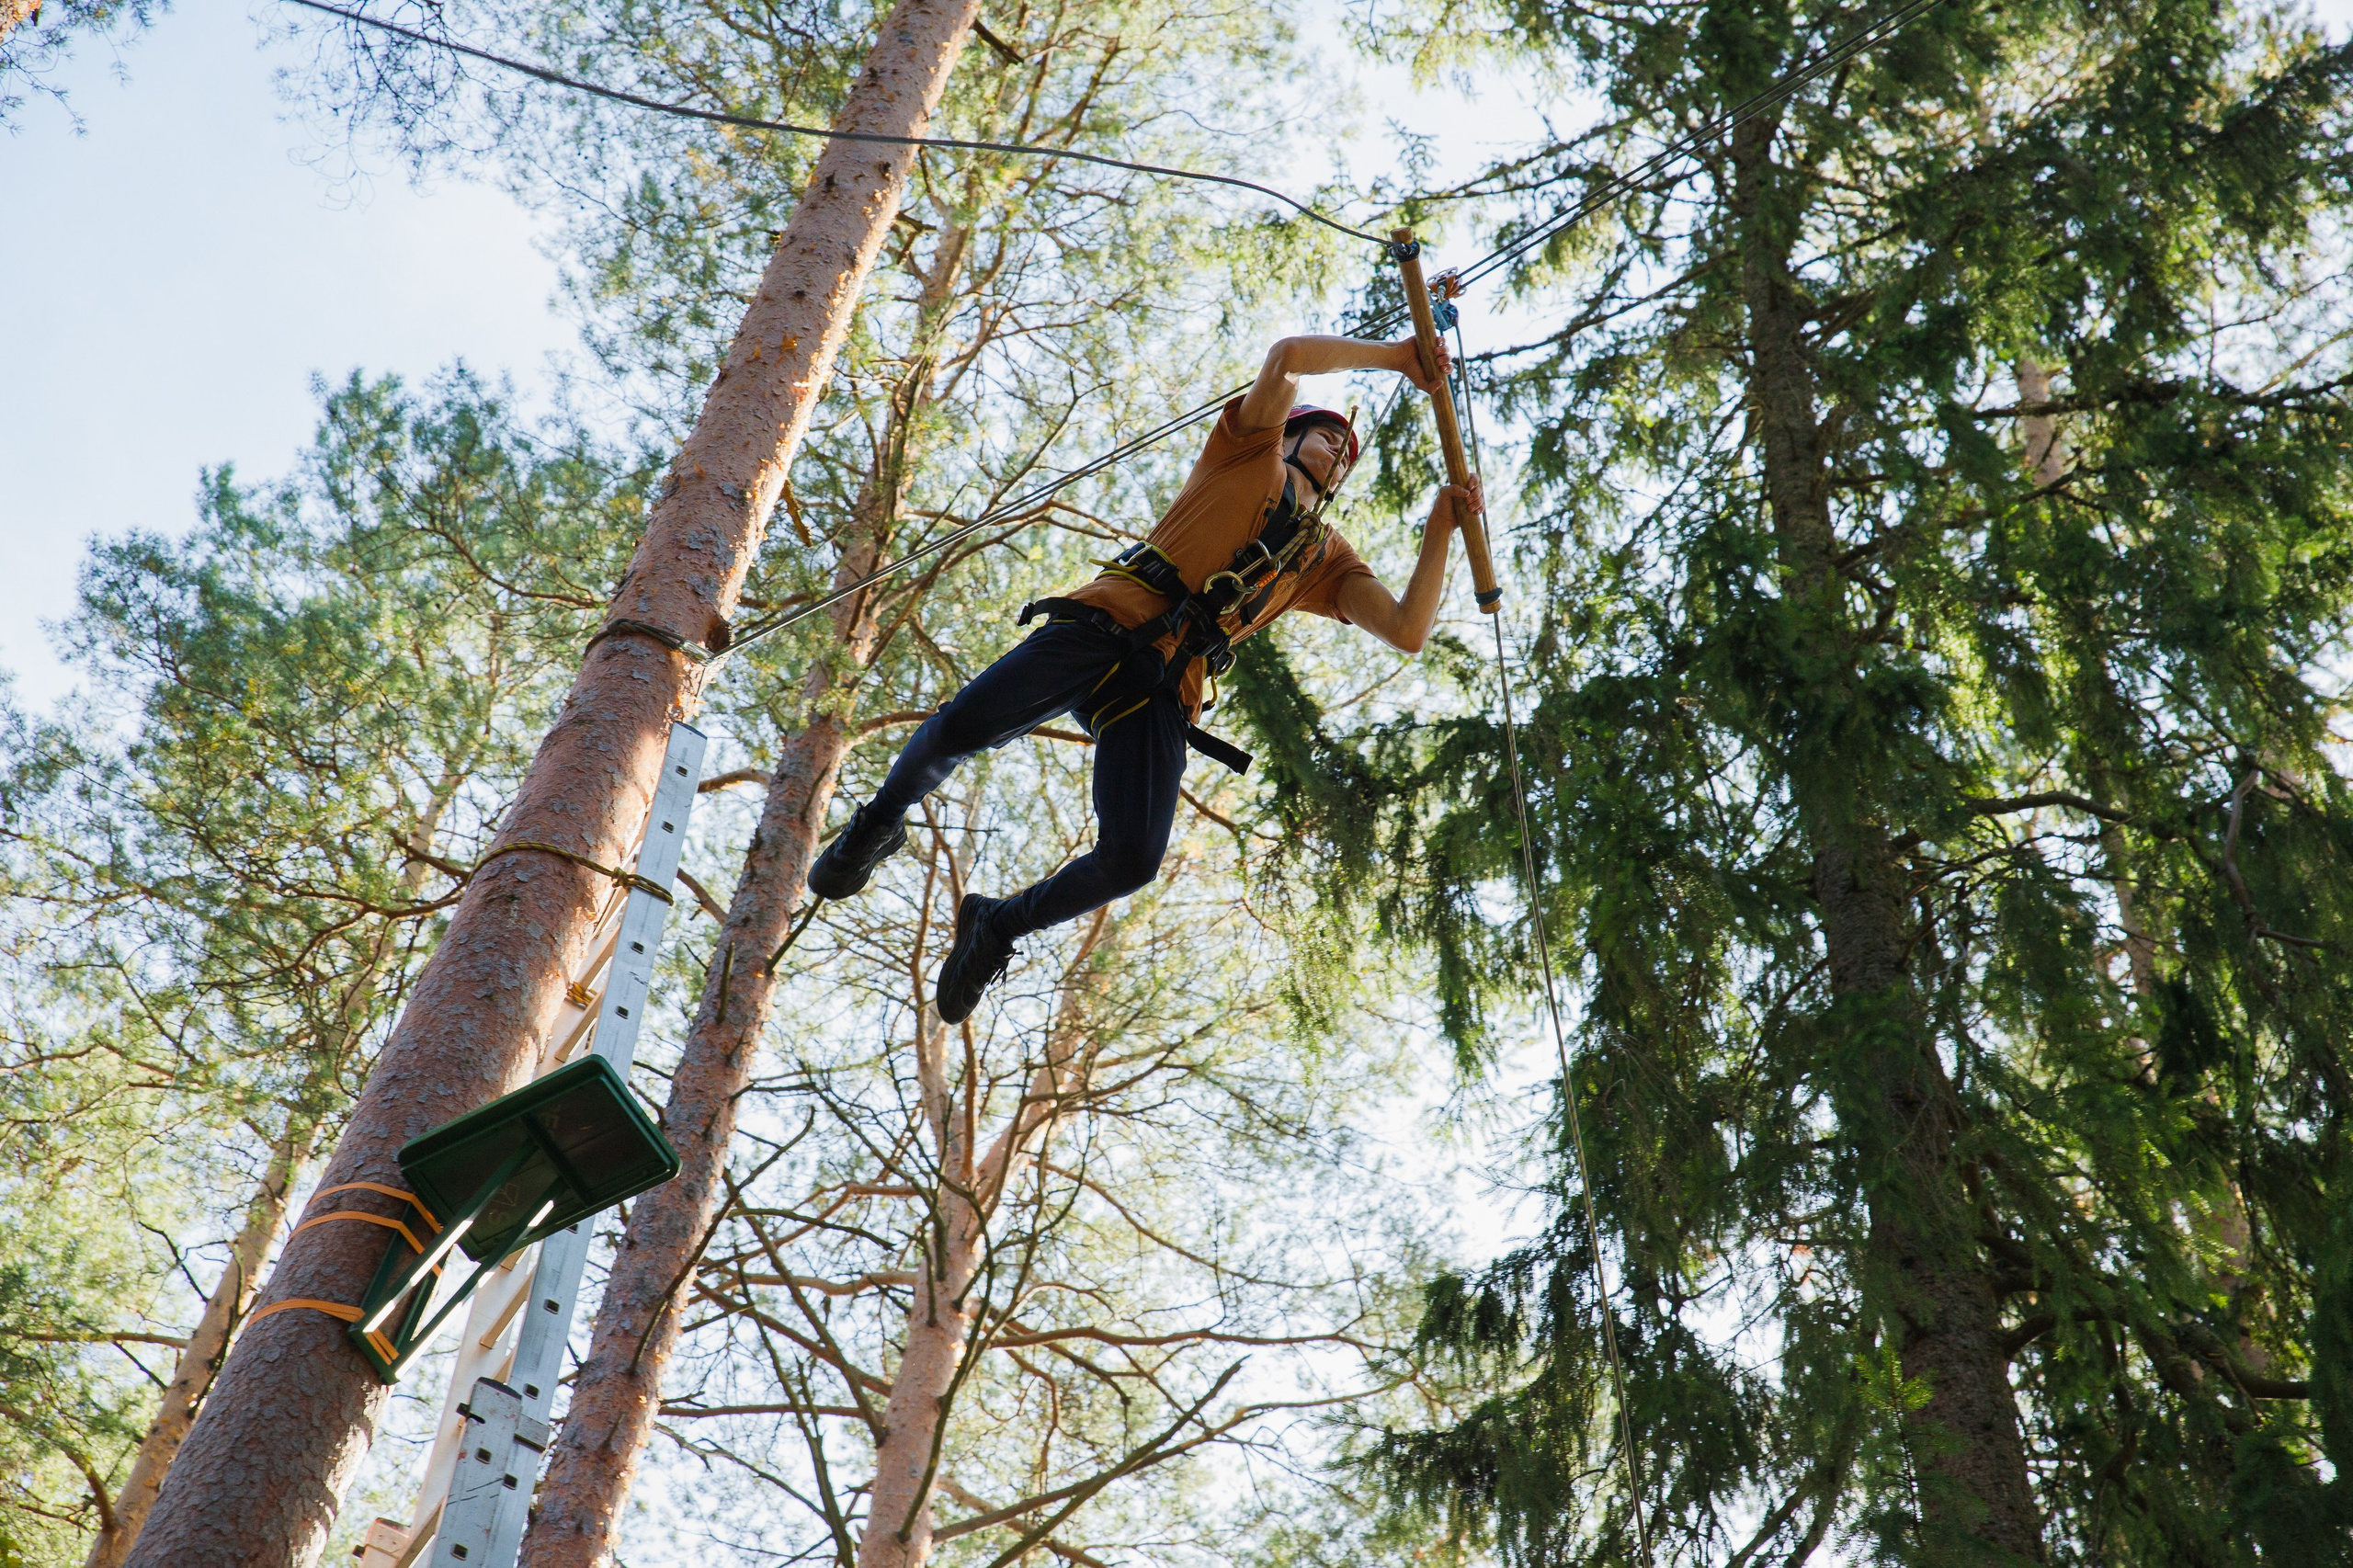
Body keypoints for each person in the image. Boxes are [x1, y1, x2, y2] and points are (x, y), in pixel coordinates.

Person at [809, 331, 1480, 1022]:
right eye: (1327, 434)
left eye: (1349, 453)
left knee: (1133, 858)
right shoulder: (1246, 448)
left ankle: (997, 925)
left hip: (1163, 689)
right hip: (1106, 626)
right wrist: (1400, 358)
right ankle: (877, 825)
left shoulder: (1323, 557)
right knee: (963, 727)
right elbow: (1286, 358)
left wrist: (1440, 529)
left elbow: (1406, 631)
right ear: (1290, 434)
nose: (1340, 450)